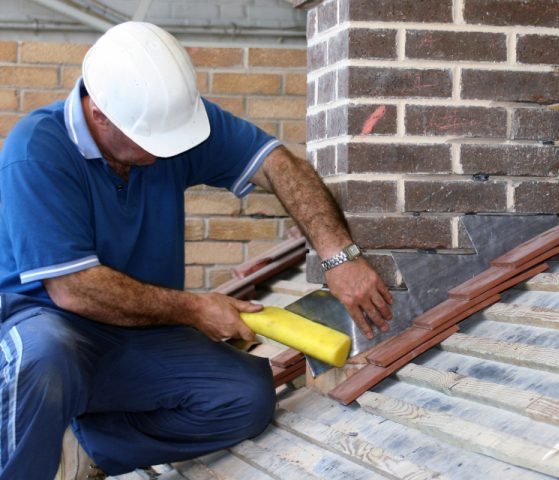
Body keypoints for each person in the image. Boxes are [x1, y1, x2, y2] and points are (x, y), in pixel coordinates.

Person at [0, 21, 392, 479]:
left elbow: (279, 165)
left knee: (245, 396)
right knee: (44, 359)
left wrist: (338, 257)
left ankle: (87, 445)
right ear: (101, 113)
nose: (164, 153)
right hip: (43, 323)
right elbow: (74, 290)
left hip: (135, 329)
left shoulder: (168, 122)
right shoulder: (37, 150)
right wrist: (194, 309)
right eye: (150, 144)